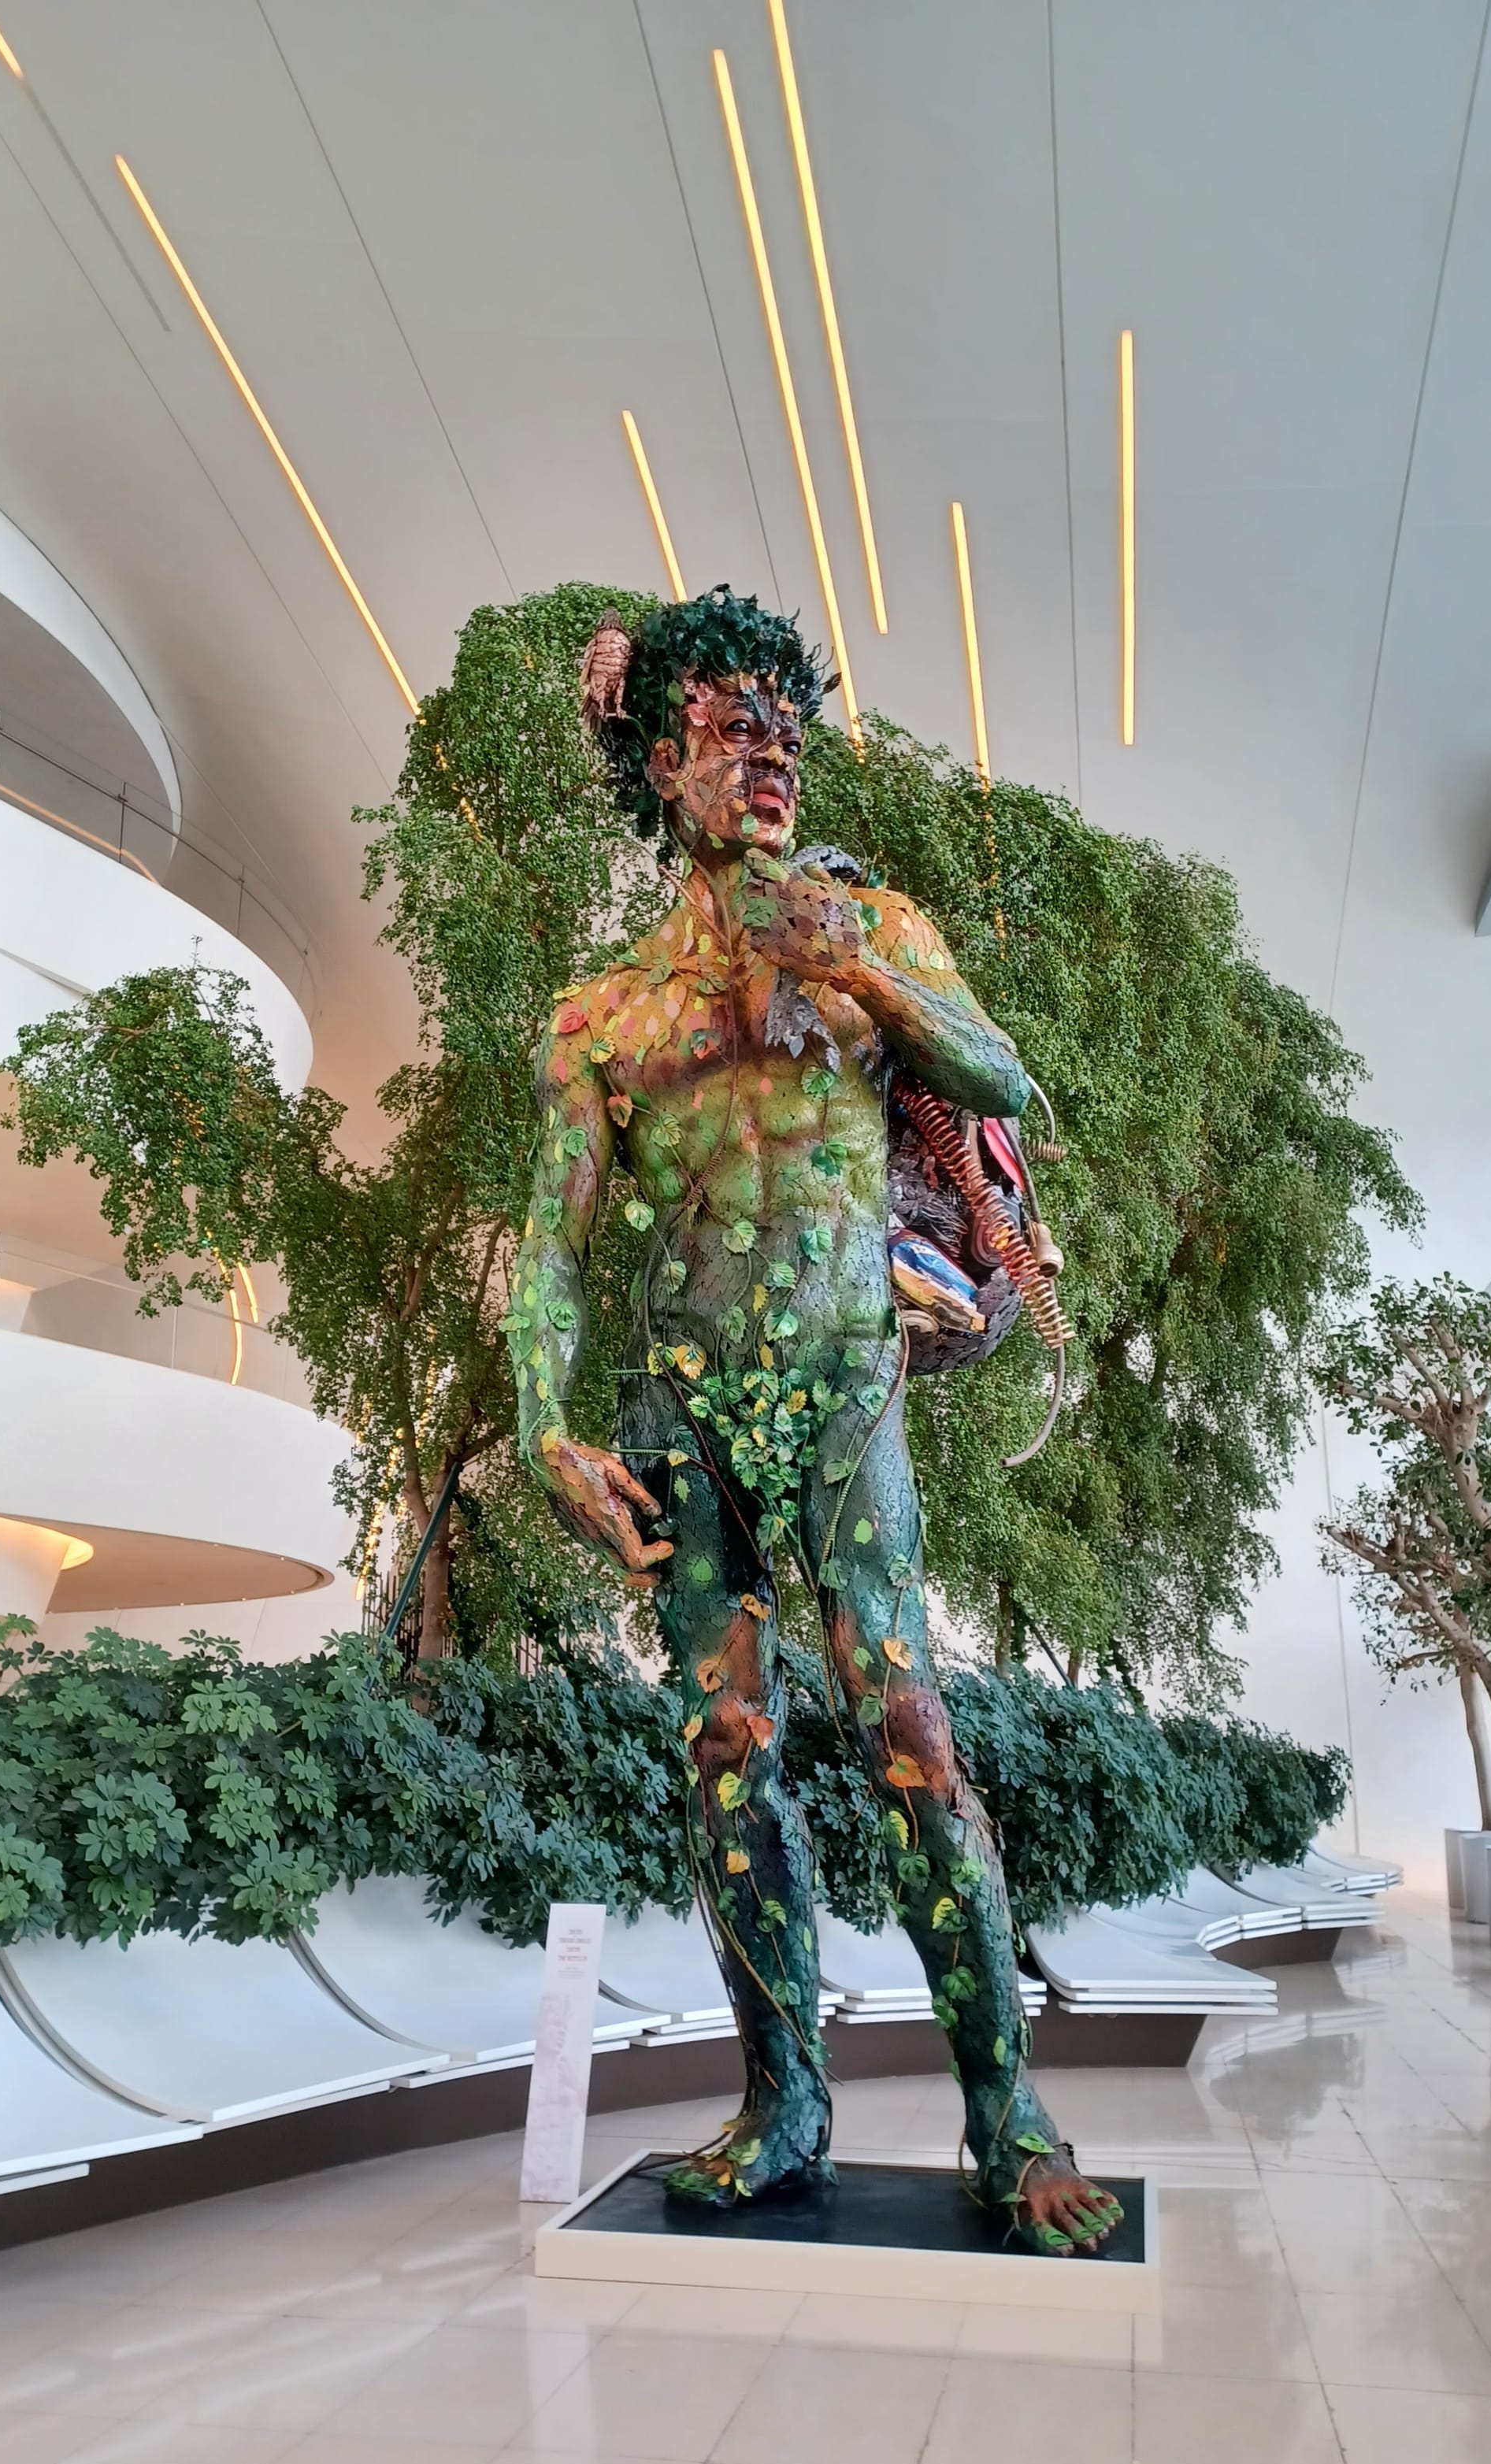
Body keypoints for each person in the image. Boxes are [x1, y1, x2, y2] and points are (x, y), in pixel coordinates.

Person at [506, 587, 1118, 2253]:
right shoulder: (600, 1015)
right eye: (731, 728)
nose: (770, 755)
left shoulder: (874, 926)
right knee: (726, 1748)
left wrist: (859, 969)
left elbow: (1002, 1080)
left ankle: (1010, 2119)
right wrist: (545, 1424)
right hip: (683, 1405)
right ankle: (783, 2109)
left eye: (786, 730)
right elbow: (551, 1243)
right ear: (663, 763)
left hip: (845, 1389)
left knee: (909, 1728)